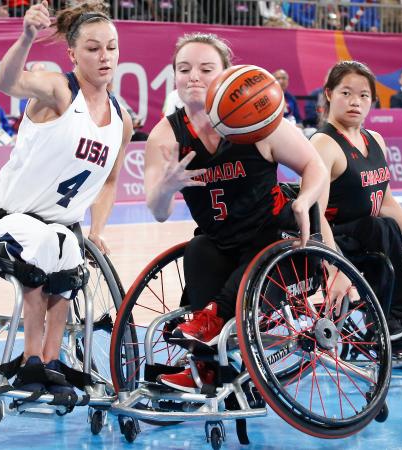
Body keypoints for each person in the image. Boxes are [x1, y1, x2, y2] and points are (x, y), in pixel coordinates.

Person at [144, 32, 346, 393]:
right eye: (183, 68)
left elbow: (315, 166)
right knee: (199, 250)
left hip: (278, 241)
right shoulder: (166, 136)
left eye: (206, 69)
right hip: (223, 244)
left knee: (253, 264)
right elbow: (158, 212)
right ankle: (206, 367)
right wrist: (167, 186)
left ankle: (212, 320)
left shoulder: (257, 120)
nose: (193, 77)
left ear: (225, 74)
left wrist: (303, 200)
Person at [0, 0, 132, 395]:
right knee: (47, 246)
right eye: (93, 48)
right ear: (72, 54)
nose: (105, 56)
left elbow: (109, 182)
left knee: (69, 254)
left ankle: (51, 361)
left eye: (112, 47)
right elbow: (6, 82)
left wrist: (98, 229)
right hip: (7, 215)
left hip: (60, 224)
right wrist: (27, 37)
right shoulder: (57, 91)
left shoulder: (122, 118)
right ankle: (30, 357)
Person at [312, 60, 402, 339]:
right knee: (380, 227)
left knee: (385, 225)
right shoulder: (323, 144)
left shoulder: (375, 139)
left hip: (366, 237)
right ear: (329, 94)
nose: (355, 101)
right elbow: (314, 215)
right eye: (346, 93)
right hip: (333, 240)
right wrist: (334, 267)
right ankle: (387, 320)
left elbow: (387, 202)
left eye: (364, 95)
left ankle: (401, 319)